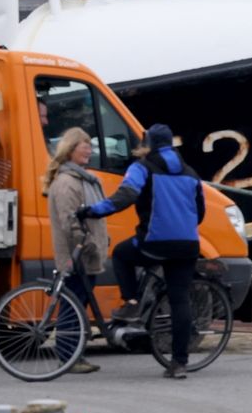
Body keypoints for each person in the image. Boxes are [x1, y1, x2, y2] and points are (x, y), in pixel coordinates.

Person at [81, 124, 205, 379]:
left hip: (155, 241)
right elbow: (200, 211)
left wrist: (93, 211)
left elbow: (125, 196)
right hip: (187, 244)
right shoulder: (191, 173)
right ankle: (179, 363)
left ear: (147, 144)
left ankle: (132, 303)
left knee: (120, 254)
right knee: (179, 300)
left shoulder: (142, 168)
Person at [44, 128, 109, 374]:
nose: (89, 152)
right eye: (84, 147)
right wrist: (86, 242)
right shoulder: (67, 182)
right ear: (70, 149)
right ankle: (68, 356)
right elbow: (69, 220)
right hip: (76, 255)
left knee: (78, 304)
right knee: (72, 305)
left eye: (90, 147)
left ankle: (74, 355)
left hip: (87, 253)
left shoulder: (85, 179)